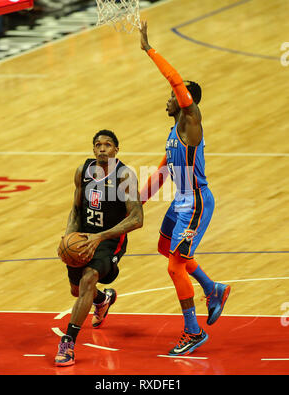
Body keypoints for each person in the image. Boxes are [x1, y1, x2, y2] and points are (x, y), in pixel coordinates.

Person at [139, 21, 230, 356]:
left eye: (171, 98)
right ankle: (212, 288)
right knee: (167, 249)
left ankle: (193, 332)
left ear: (183, 101)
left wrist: (150, 50)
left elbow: (175, 80)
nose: (167, 101)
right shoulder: (173, 132)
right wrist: (138, 201)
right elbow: (163, 171)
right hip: (179, 203)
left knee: (174, 265)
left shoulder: (191, 121)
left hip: (196, 204)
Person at [55, 129, 143, 366]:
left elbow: (137, 219)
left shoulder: (125, 175)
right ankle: (102, 300)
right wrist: (68, 237)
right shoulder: (82, 172)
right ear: (93, 149)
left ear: (116, 149)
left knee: (88, 278)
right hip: (83, 236)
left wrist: (100, 238)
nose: (102, 148)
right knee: (77, 291)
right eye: (98, 145)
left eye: (108, 145)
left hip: (109, 241)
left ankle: (68, 342)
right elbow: (75, 209)